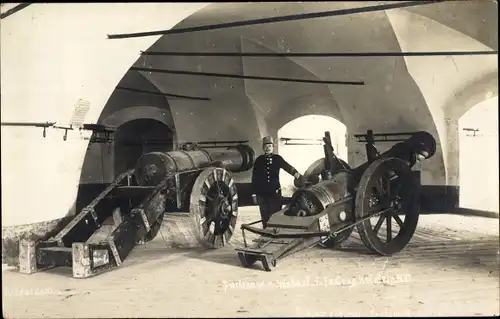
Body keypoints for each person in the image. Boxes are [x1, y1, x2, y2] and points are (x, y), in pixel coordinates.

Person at [251, 136, 304, 228]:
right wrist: (254, 194)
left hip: (274, 192)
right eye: (266, 146)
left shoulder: (277, 159)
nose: (268, 148)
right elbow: (254, 177)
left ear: (273, 147)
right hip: (261, 194)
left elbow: (287, 166)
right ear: (263, 148)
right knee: (264, 216)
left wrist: (296, 173)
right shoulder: (259, 160)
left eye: (270, 146)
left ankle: (275, 233)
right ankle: (266, 233)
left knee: (275, 215)